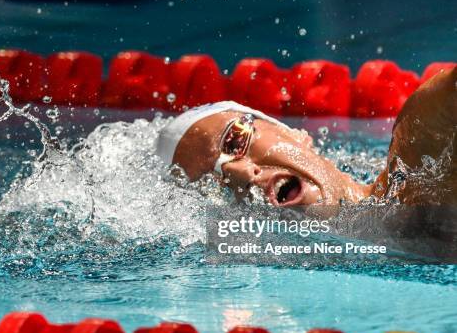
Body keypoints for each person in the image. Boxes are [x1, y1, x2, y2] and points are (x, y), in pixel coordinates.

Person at [156, 67, 456, 206]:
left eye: (235, 142)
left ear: (296, 135)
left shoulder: (427, 134)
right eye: (214, 185)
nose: (240, 173)